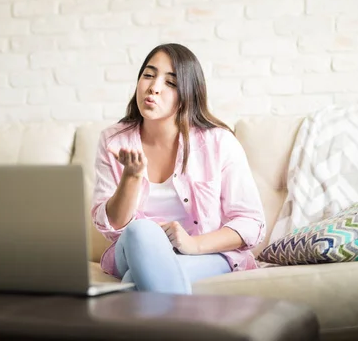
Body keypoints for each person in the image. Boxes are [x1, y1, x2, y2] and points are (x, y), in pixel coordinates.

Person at [91, 43, 266, 295]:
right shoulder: (113, 140)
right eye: (148, 75)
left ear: (188, 93)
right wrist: (131, 176)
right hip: (131, 248)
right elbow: (113, 225)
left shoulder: (219, 142)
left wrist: (193, 244)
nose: (154, 87)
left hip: (204, 253)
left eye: (170, 83)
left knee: (134, 280)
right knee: (140, 230)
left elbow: (251, 222)